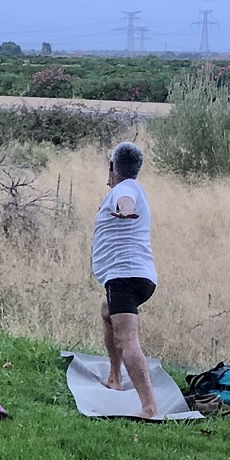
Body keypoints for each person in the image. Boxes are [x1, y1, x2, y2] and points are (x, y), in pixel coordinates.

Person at [92, 140, 161, 419]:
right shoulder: (133, 188)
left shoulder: (126, 189)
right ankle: (114, 376)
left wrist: (124, 210)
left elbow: (125, 199)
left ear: (112, 167)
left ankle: (149, 407)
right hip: (138, 277)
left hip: (124, 276)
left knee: (128, 339)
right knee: (107, 311)